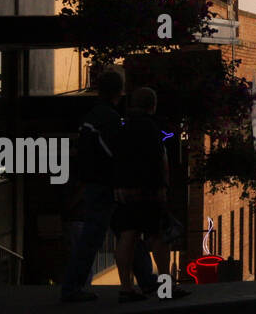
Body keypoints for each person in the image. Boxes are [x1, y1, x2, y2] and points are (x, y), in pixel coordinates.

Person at [59, 69, 154, 302]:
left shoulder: (90, 118)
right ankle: (72, 288)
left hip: (95, 185)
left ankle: (146, 280)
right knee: (120, 232)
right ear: (120, 92)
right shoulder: (109, 119)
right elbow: (115, 154)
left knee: (119, 233)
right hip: (107, 186)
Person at [110, 87, 172, 302]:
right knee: (159, 237)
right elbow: (158, 161)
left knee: (127, 236)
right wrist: (163, 187)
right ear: (152, 105)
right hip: (149, 191)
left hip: (124, 191)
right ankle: (165, 289)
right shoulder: (152, 128)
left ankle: (126, 288)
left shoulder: (122, 127)